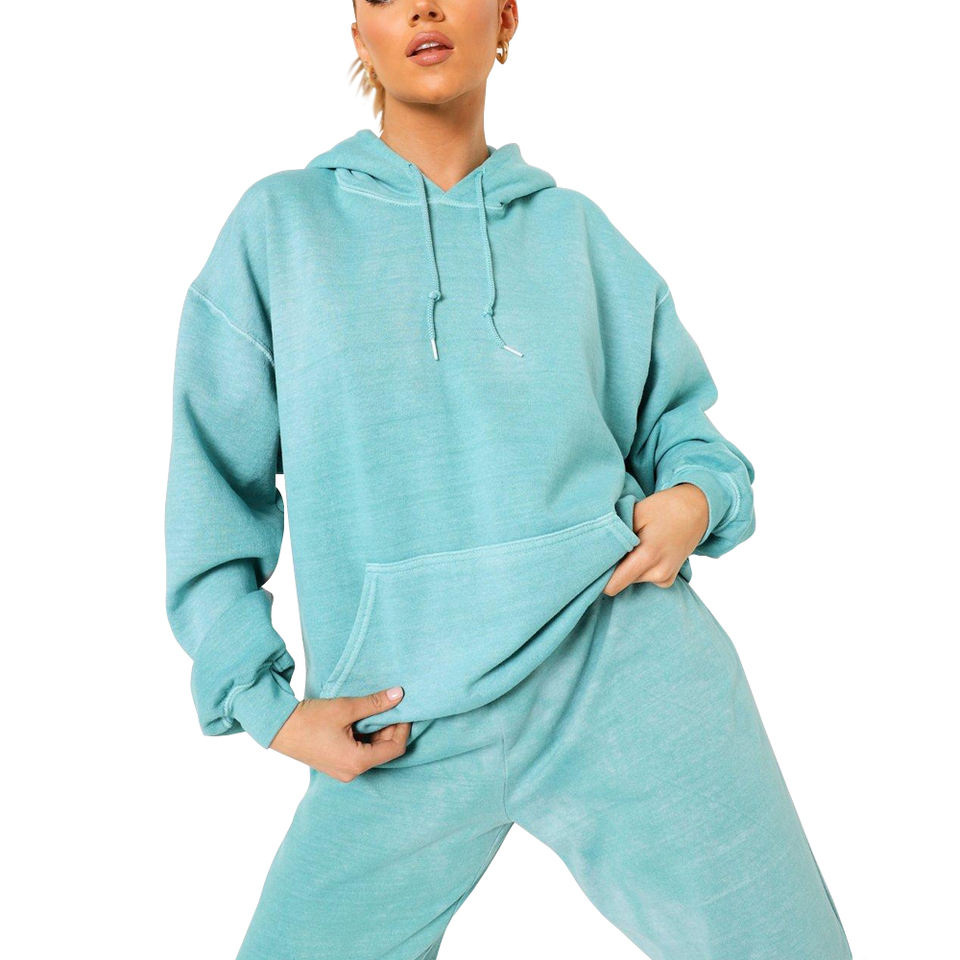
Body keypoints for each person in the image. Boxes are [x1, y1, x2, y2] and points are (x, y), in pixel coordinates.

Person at [163, 2, 853, 958]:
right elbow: (211, 484)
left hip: (622, 665)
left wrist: (695, 504)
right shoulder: (280, 229)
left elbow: (684, 432)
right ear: (359, 34)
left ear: (507, 18)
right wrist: (268, 710)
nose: (423, 7)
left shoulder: (577, 234)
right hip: (395, 720)